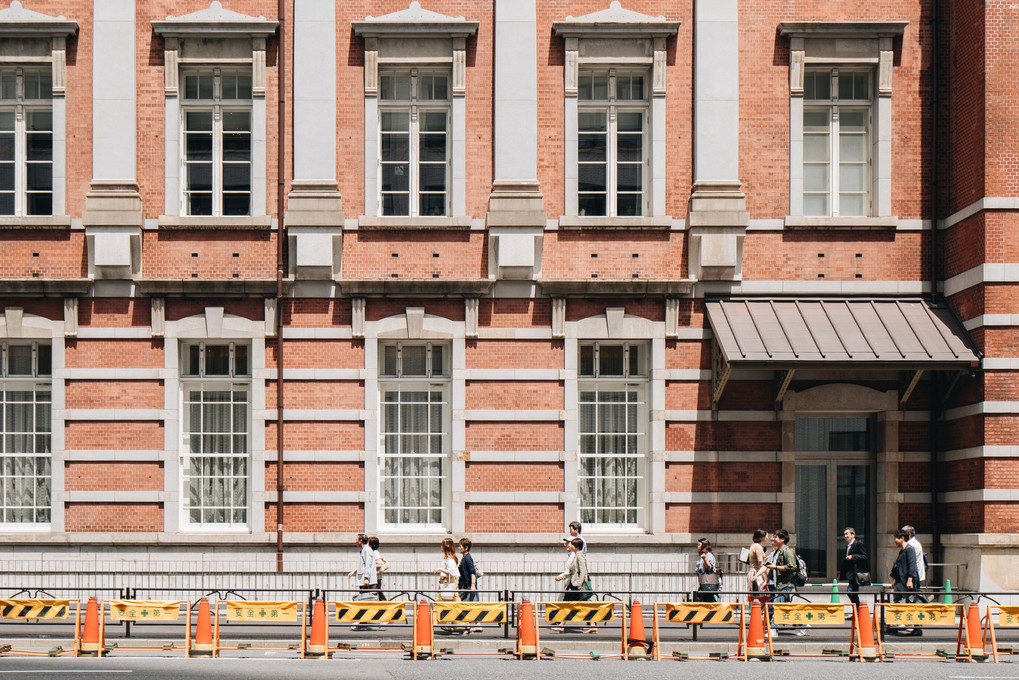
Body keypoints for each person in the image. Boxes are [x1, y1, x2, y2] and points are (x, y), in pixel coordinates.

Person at [766, 529, 805, 636]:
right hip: (780, 584)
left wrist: (776, 567)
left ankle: (774, 629)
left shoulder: (787, 552)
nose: (772, 539)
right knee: (787, 608)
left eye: (776, 537)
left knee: (777, 606)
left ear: (782, 539)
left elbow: (792, 567)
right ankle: (803, 624)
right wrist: (766, 581)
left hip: (786, 584)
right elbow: (772, 568)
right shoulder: (777, 552)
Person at [555, 538, 597, 634]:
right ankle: (593, 625)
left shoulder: (580, 556)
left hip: (577, 585)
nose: (570, 546)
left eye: (572, 545)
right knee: (575, 604)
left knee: (571, 604)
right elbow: (573, 571)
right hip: (574, 584)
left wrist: (579, 583)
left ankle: (561, 625)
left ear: (577, 547)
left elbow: (583, 571)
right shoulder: (576, 555)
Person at [891, 528, 922, 636]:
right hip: (900, 581)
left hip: (906, 581)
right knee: (898, 602)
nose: (894, 540)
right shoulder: (902, 551)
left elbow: (912, 565)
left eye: (896, 538)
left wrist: (910, 580)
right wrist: (894, 579)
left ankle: (917, 628)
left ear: (902, 538)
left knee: (911, 603)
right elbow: (897, 566)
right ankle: (895, 624)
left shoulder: (910, 550)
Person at [840, 527, 868, 606]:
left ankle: (858, 610)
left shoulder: (858, 544)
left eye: (847, 534)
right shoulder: (848, 546)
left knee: (851, 591)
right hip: (850, 574)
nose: (845, 536)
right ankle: (856, 611)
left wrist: (853, 556)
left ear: (853, 534)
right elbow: (844, 562)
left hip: (856, 573)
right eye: (844, 534)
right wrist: (841, 574)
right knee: (852, 592)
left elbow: (864, 556)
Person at [347, 533, 378, 601]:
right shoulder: (365, 550)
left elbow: (368, 564)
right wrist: (354, 571)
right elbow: (364, 565)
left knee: (367, 599)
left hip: (367, 581)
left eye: (357, 539)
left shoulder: (367, 550)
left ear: (361, 540)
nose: (356, 541)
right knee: (365, 599)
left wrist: (366, 578)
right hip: (366, 580)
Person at [902, 525, 927, 599]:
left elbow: (911, 563)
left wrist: (910, 579)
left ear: (909, 535)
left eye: (903, 535)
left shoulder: (913, 545)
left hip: (914, 577)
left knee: (912, 599)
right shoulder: (911, 544)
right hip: (912, 576)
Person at [432, 537, 460, 603]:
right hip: (446, 582)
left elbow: (451, 573)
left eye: (442, 545)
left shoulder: (450, 560)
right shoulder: (448, 558)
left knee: (448, 601)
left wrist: (439, 569)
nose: (441, 547)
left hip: (448, 582)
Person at [695, 538, 720, 602]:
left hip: (709, 583)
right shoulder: (701, 556)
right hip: (703, 583)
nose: (698, 547)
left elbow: (709, 568)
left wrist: (705, 559)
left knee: (709, 600)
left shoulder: (708, 556)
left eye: (699, 545)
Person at [747, 529, 769, 596]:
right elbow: (760, 562)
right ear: (762, 537)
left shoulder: (753, 545)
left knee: (754, 596)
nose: (768, 538)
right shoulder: (758, 547)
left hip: (752, 572)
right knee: (759, 596)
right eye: (766, 536)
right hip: (756, 573)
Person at [369, 536, 389, 601]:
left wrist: (369, 569)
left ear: (371, 545)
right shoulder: (374, 552)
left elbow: (379, 565)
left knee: (375, 593)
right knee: (377, 593)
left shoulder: (375, 553)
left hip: (376, 578)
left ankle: (386, 605)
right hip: (376, 578)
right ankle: (386, 605)